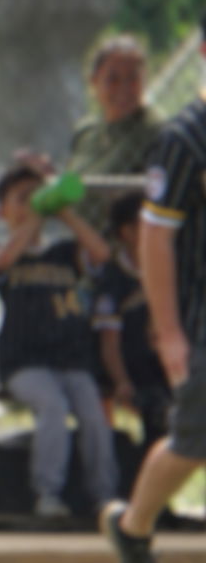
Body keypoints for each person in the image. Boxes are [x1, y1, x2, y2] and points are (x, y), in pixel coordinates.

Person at [103, 15, 206, 563]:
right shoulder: (186, 138)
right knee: (196, 439)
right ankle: (135, 525)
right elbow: (157, 238)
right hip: (201, 312)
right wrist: (169, 332)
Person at [0, 161, 117, 519]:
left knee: (94, 416)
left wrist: (65, 212)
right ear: (2, 211)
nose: (32, 203)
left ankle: (104, 496)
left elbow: (101, 253)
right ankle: (48, 494)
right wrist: (34, 218)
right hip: (24, 361)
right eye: (22, 198)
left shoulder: (63, 253)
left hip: (72, 359)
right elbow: (4, 261)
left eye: (36, 195)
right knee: (53, 408)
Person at [92, 191, 172, 453]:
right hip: (134, 372)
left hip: (167, 366)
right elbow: (109, 343)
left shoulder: (170, 266)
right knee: (158, 415)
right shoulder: (113, 280)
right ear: (127, 232)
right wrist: (122, 381)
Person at [66, 34, 163, 229]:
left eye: (133, 78)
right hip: (83, 243)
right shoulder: (86, 132)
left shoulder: (155, 131)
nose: (124, 88)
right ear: (94, 81)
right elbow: (72, 189)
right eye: (113, 79)